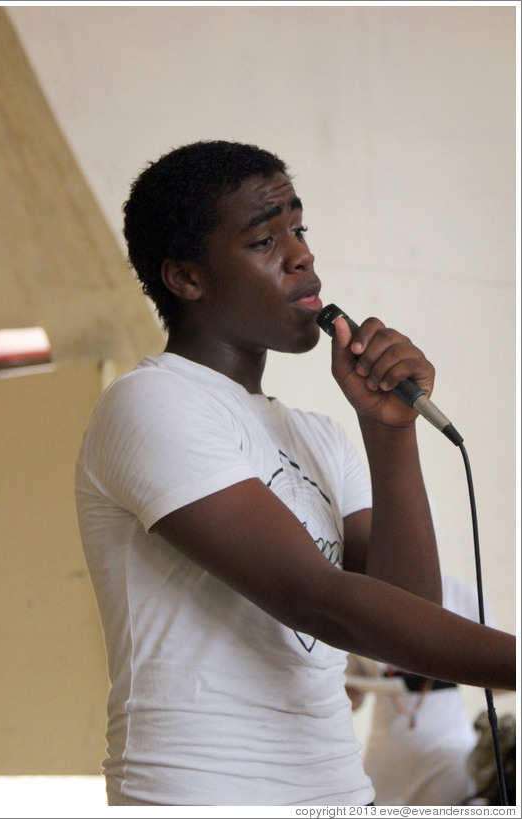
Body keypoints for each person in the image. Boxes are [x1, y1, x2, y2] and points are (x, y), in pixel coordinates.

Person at [74, 140, 515, 807]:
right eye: (262, 240)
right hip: (204, 794)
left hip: (336, 790)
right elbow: (317, 597)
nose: (301, 255)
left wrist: (388, 432)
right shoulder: (152, 402)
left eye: (298, 228)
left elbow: (407, 619)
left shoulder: (317, 433)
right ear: (186, 278)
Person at [345, 574, 491, 805]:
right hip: (385, 754)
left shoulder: (461, 594)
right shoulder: (359, 598)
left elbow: (493, 673)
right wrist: (349, 695)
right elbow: (352, 685)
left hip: (448, 748)